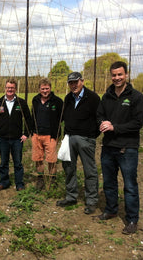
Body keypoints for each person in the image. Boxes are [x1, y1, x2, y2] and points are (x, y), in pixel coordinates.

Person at [97, 61, 143, 234]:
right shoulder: (107, 96)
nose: (116, 78)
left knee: (130, 185)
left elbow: (137, 123)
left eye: (120, 74)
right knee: (109, 182)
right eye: (114, 75)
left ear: (126, 75)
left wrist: (114, 127)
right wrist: (102, 123)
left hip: (127, 148)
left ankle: (132, 219)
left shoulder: (136, 97)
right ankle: (111, 210)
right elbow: (99, 115)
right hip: (108, 146)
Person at [57, 72, 100, 215]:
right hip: (69, 138)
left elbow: (99, 118)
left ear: (82, 81)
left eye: (76, 82)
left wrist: (91, 136)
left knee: (90, 170)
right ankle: (71, 196)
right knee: (69, 168)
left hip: (86, 139)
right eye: (71, 83)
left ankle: (91, 200)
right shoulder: (68, 98)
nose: (73, 85)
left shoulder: (93, 98)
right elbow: (63, 117)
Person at [0, 78, 32, 192]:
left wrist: (26, 134)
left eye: (12, 88)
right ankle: (4, 182)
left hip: (17, 139)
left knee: (18, 163)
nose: (10, 90)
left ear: (15, 89)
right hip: (2, 139)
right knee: (4, 162)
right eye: (8, 87)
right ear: (5, 88)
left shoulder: (21, 102)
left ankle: (19, 184)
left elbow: (28, 119)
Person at [31, 78, 63, 190]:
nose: (45, 91)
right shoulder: (35, 100)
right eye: (43, 89)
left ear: (50, 88)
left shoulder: (57, 101)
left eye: (47, 88)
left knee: (51, 159)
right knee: (38, 158)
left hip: (51, 136)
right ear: (39, 89)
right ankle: (40, 180)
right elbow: (32, 115)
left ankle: (52, 180)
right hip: (36, 134)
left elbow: (61, 118)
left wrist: (57, 133)